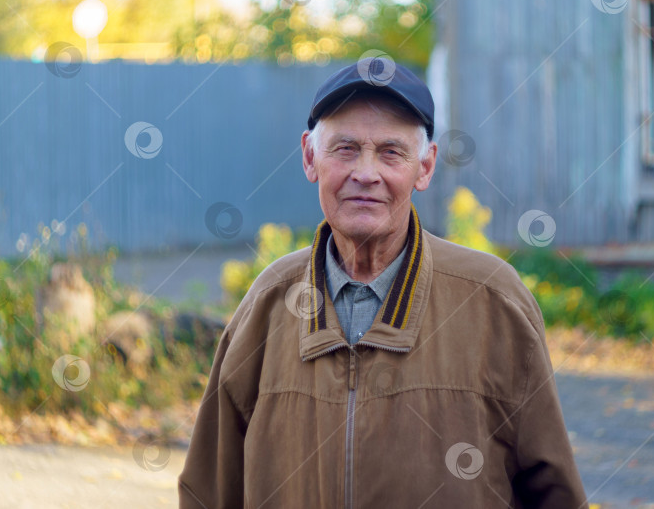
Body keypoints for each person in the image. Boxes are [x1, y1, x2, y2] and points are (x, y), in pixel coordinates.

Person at [179, 58, 587, 508]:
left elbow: (553, 493)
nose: (366, 173)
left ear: (425, 167)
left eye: (391, 152)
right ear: (310, 157)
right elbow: (208, 491)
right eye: (346, 148)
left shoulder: (492, 299)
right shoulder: (268, 304)